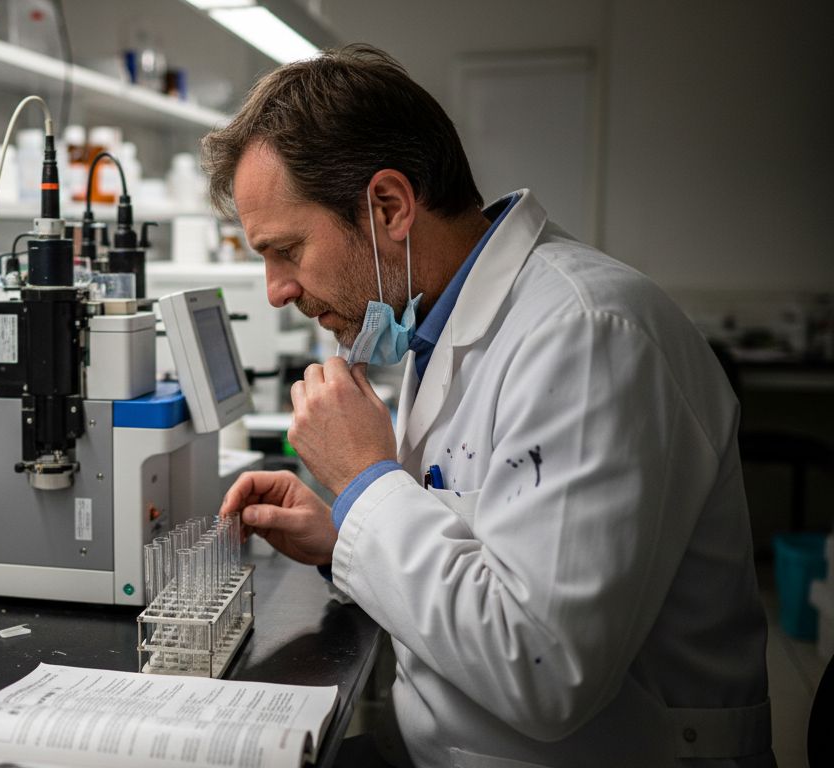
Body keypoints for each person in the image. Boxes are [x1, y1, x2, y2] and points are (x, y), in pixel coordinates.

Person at [207, 45, 771, 768]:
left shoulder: (587, 335)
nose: (275, 290)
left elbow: (546, 672)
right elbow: (495, 535)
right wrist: (341, 535)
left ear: (389, 207)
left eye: (286, 250)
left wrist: (366, 484)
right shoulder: (437, 320)